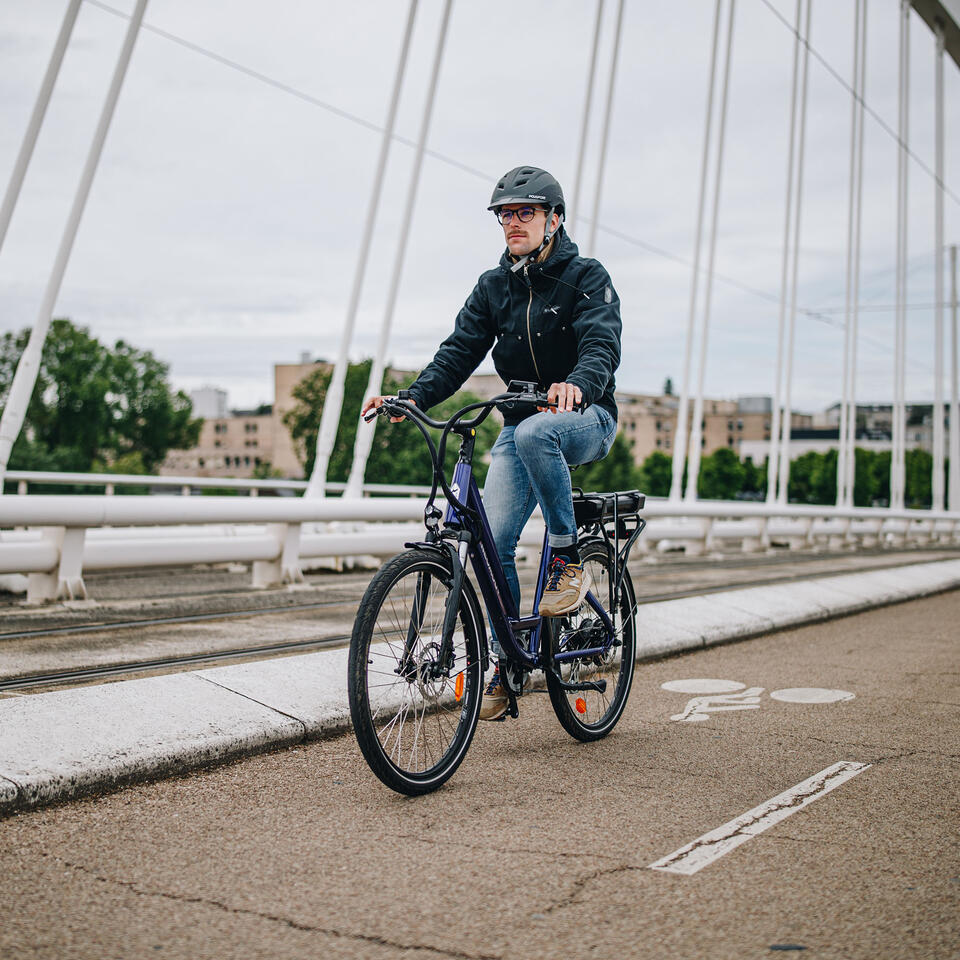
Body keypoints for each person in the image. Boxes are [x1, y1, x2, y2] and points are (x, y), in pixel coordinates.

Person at [361, 165, 622, 720]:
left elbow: (602, 344)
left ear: (554, 218)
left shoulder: (586, 276)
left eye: (525, 212)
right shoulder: (493, 287)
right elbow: (458, 352)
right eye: (505, 214)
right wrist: (410, 398)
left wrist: (578, 386)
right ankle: (509, 663)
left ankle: (568, 558)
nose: (512, 222)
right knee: (492, 541)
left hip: (584, 418)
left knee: (536, 430)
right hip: (519, 428)